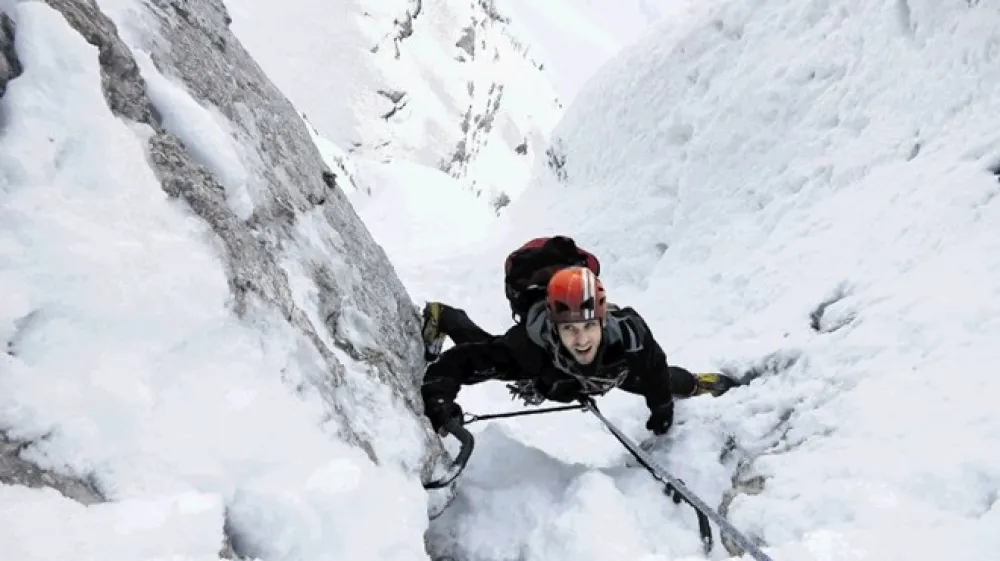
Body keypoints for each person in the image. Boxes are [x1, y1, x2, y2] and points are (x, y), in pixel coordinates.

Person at [419, 266, 742, 438]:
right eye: (570, 329)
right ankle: (445, 316)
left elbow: (655, 368)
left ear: (603, 321)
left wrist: (661, 408)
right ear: (555, 328)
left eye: (589, 327)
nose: (581, 339)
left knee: (651, 380)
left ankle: (697, 384)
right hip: (545, 366)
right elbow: (459, 362)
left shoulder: (629, 335)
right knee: (485, 350)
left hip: (605, 372)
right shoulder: (528, 347)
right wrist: (440, 398)